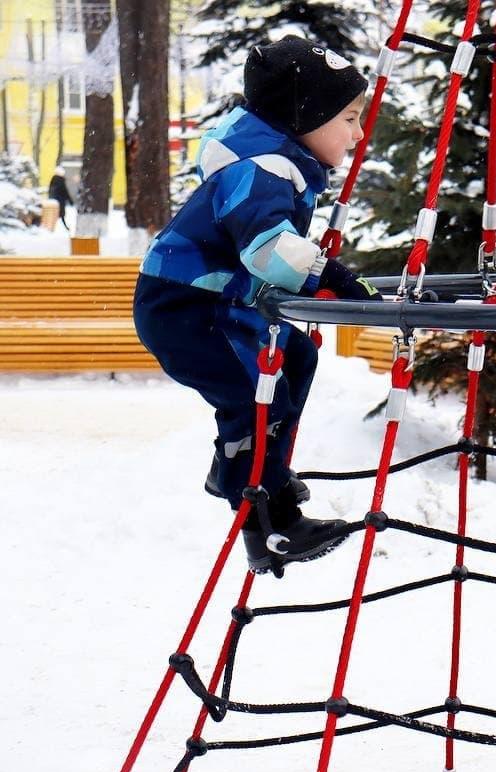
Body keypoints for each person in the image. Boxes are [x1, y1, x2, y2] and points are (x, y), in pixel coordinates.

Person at [133, 35, 382, 574]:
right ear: (304, 116)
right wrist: (332, 276)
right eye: (348, 118)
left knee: (296, 357)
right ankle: (266, 523)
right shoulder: (261, 169)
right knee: (250, 395)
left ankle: (253, 471)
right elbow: (267, 249)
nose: (358, 134)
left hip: (214, 300)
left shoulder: (277, 162)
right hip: (186, 306)